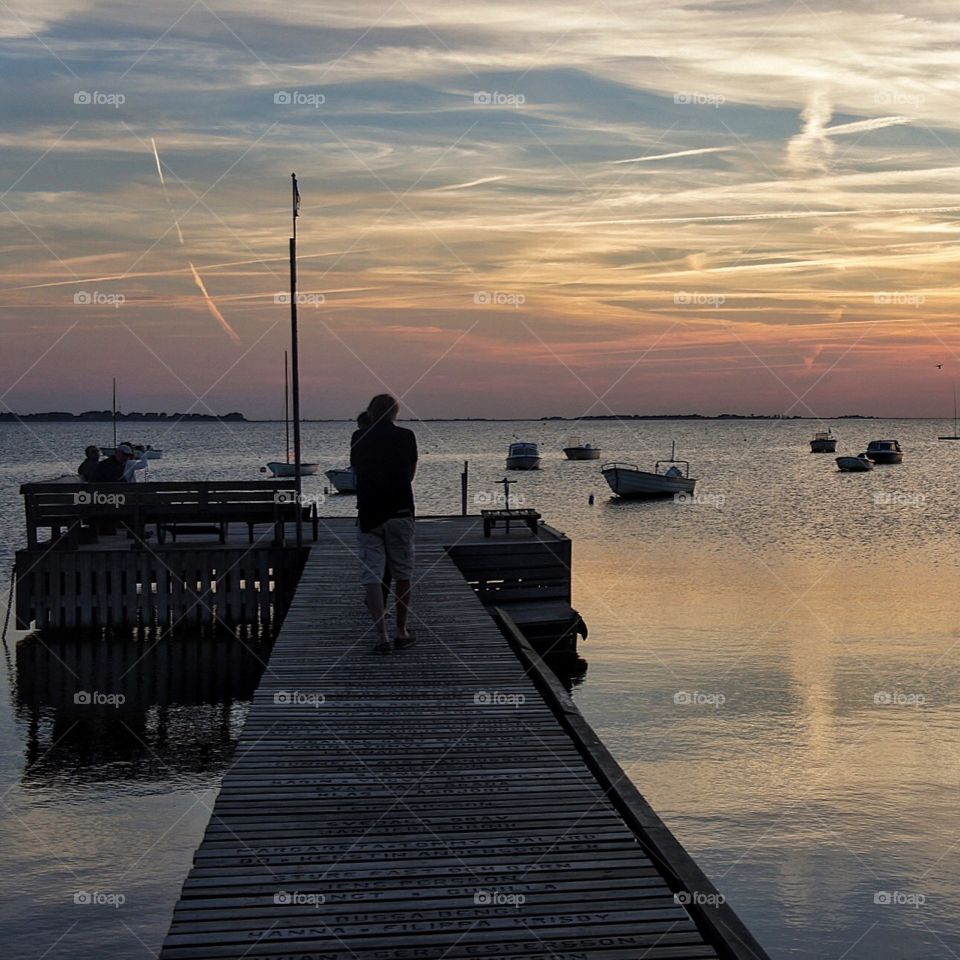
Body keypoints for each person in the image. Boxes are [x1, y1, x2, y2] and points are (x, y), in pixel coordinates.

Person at [350, 394, 418, 654]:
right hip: (400, 512)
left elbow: (357, 471)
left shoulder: (359, 437)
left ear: (371, 412)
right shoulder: (406, 436)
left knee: (372, 575)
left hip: (369, 514)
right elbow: (410, 475)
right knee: (403, 573)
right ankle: (401, 630)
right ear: (394, 413)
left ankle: (382, 636)